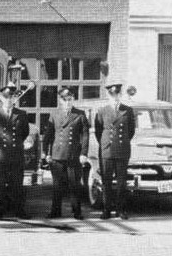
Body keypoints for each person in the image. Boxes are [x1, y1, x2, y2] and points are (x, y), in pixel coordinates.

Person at [41, 87, 89, 220]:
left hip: (73, 155)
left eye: (70, 99)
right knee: (57, 185)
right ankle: (55, 211)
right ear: (60, 100)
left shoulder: (80, 114)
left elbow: (85, 135)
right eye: (65, 100)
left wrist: (84, 153)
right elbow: (48, 135)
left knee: (75, 184)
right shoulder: (54, 114)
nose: (67, 102)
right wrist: (45, 152)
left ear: (73, 99)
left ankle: (77, 211)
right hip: (57, 155)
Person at [0, 83, 30, 220]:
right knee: (0, 184)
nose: (9, 100)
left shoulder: (21, 114)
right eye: (6, 97)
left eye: (11, 97)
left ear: (14, 98)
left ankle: (19, 210)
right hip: (1, 155)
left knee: (17, 184)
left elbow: (24, 133)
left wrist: (14, 145)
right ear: (1, 98)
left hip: (16, 154)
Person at [94, 82, 135, 220]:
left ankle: (120, 210)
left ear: (120, 94)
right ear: (108, 95)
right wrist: (106, 143)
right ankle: (106, 210)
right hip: (107, 150)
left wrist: (121, 142)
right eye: (112, 94)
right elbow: (99, 131)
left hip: (122, 150)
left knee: (121, 182)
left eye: (117, 93)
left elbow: (131, 131)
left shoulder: (127, 110)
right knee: (106, 181)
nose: (115, 96)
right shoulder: (102, 110)